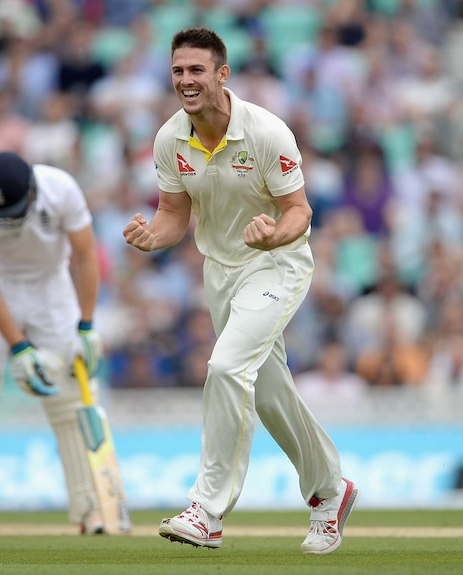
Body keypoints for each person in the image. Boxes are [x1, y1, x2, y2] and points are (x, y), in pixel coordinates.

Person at [122, 27, 358, 554]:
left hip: (276, 264)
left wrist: (274, 234)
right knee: (269, 393)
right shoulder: (169, 139)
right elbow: (172, 216)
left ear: (222, 75)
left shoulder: (267, 132)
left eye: (197, 70)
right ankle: (330, 490)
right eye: (179, 70)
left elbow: (299, 211)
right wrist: (149, 239)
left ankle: (207, 512)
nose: (186, 80)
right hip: (221, 272)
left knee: (227, 368)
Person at [0, 151, 112, 536]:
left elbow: (85, 256)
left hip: (54, 291)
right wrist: (19, 347)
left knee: (73, 393)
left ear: (31, 189)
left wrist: (86, 325)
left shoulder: (60, 189)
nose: (10, 221)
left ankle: (93, 508)